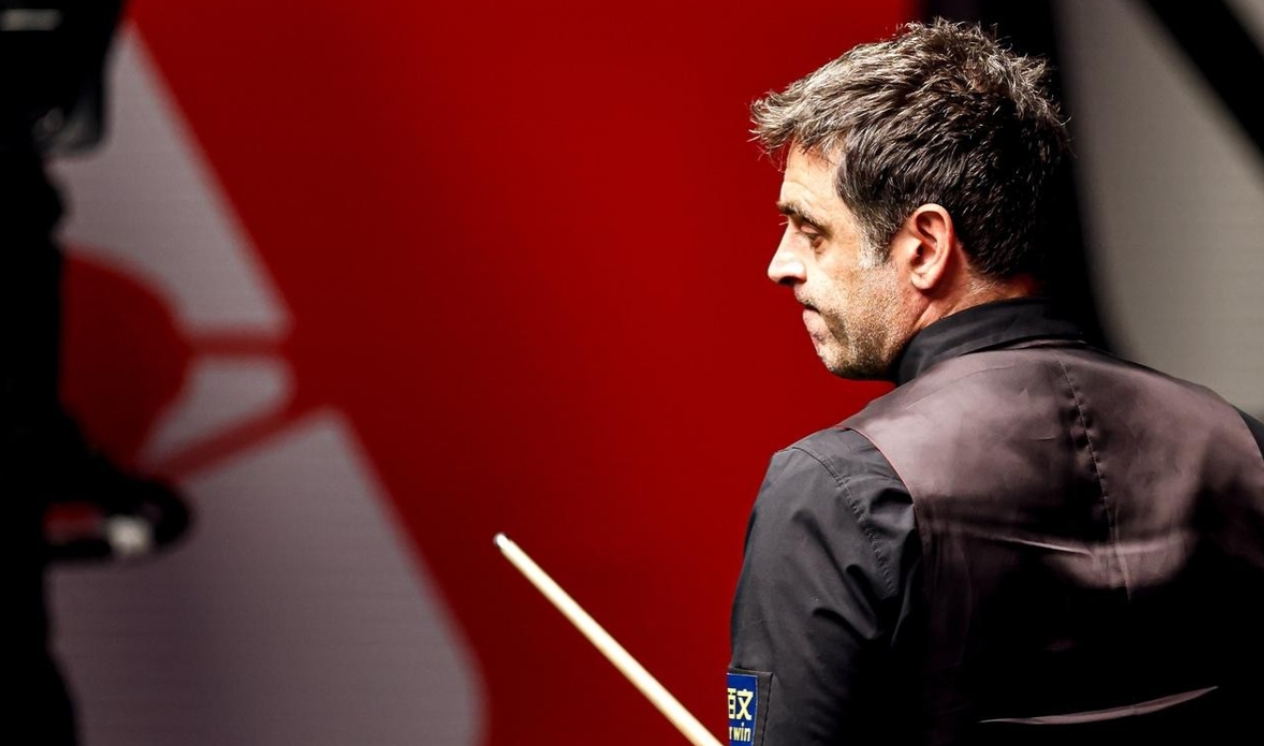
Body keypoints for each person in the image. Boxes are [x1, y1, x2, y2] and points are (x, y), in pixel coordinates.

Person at [727, 19, 1264, 746]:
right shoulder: (1240, 446)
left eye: (811, 230)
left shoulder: (835, 492)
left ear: (925, 246)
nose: (781, 265)